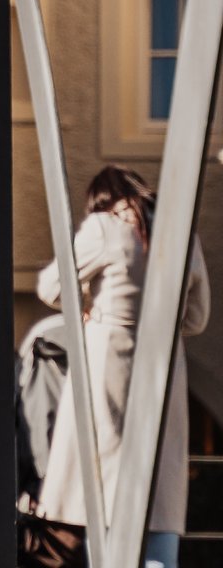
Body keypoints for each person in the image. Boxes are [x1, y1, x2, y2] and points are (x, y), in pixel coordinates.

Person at [33, 165, 210, 568]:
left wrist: (92, 305)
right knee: (159, 493)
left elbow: (49, 287)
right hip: (165, 368)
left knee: (105, 496)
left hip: (108, 365)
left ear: (102, 200)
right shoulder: (182, 232)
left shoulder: (101, 227)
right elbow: (196, 319)